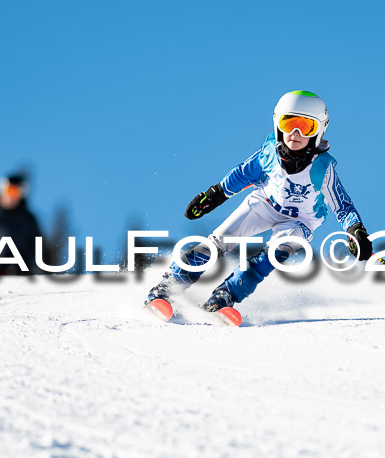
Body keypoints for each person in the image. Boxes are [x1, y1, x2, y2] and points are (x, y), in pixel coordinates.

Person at [146, 90, 373, 313]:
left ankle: (225, 295)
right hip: (265, 203)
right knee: (218, 241)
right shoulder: (269, 153)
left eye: (305, 127)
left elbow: (342, 205)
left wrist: (354, 229)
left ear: (319, 130)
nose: (295, 133)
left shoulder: (323, 167)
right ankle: (168, 287)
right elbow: (243, 174)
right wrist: (215, 195)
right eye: (288, 123)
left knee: (272, 255)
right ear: (277, 125)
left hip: (302, 220)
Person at [0, 174, 42, 275]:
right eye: (8, 191)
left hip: (23, 271)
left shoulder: (28, 219)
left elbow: (37, 245)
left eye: (15, 193)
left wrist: (38, 268)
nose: (11, 197)